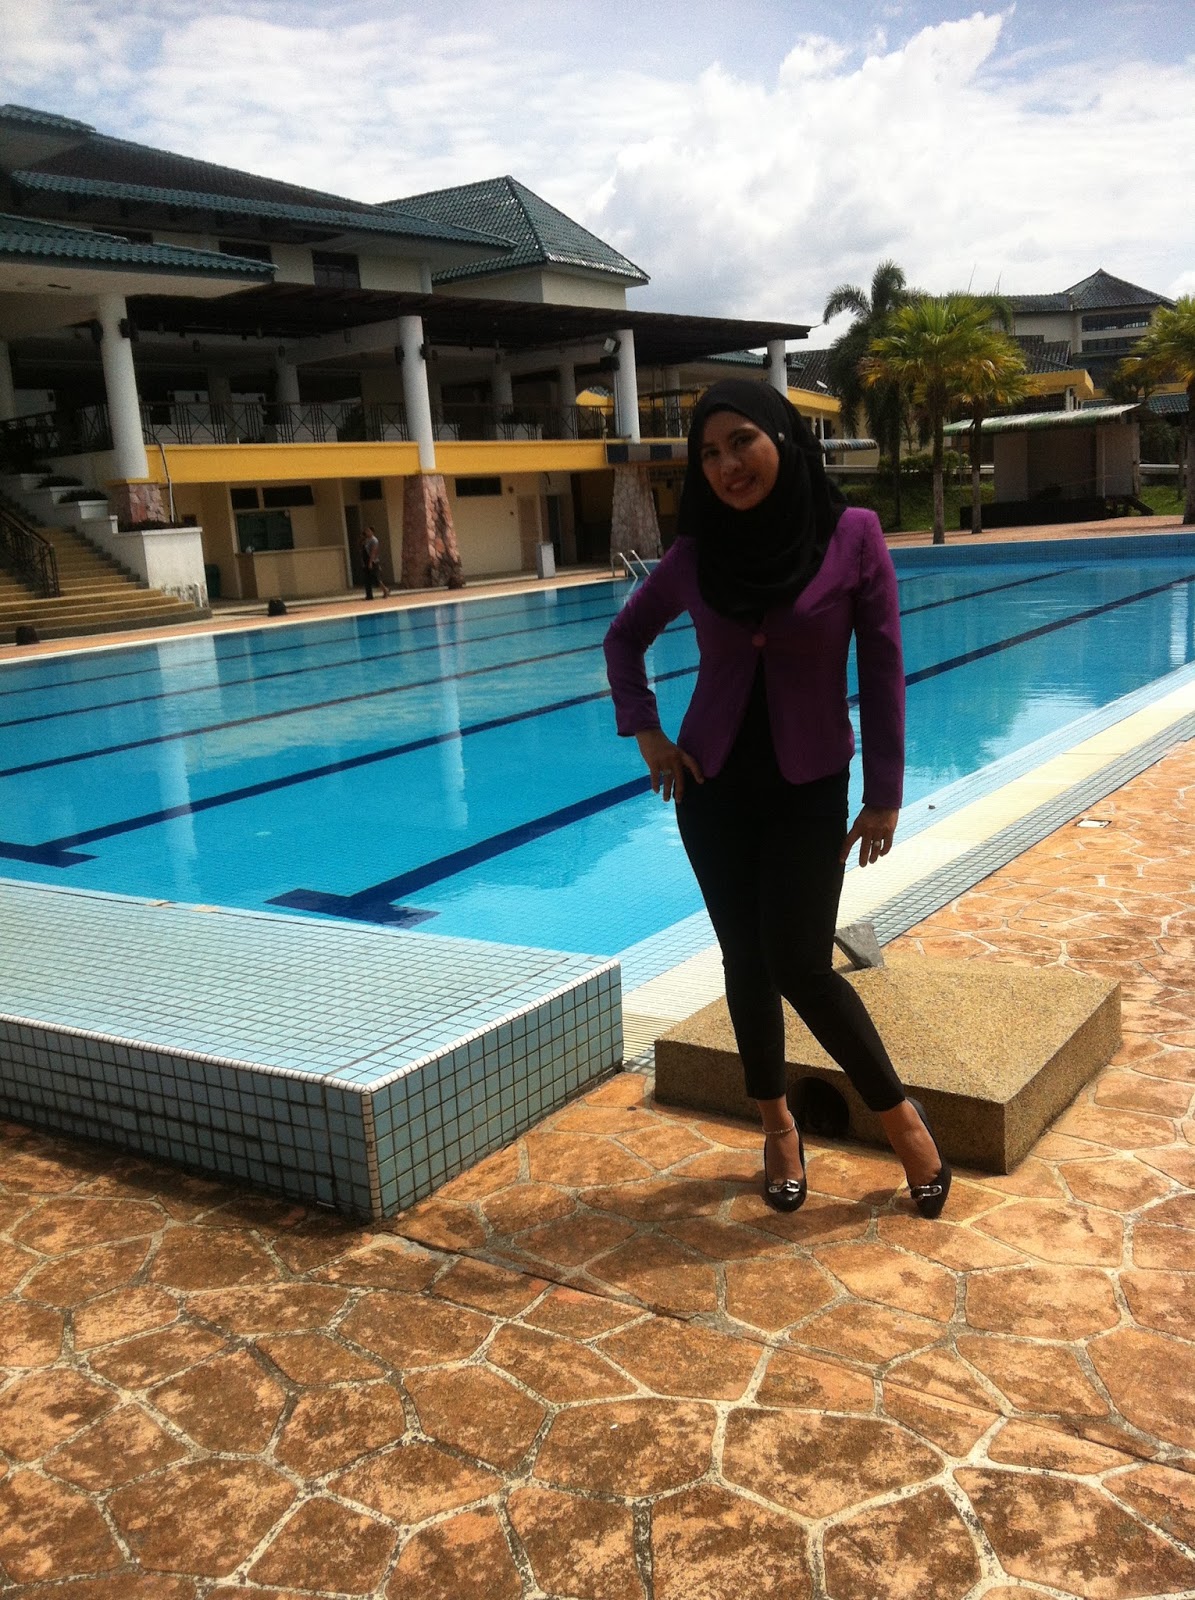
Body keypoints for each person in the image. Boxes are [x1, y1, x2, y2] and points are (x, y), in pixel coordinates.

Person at [603, 379, 950, 1218]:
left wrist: (884, 795)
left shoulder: (852, 535)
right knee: (744, 960)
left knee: (800, 963)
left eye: (741, 442)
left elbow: (882, 666)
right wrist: (647, 732)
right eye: (708, 453)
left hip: (808, 785)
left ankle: (901, 1121)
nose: (726, 464)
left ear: (782, 439)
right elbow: (623, 637)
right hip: (712, 787)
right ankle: (776, 1128)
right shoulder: (696, 554)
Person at [361, 526, 390, 600]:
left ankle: (385, 590)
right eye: (366, 531)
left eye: (368, 531)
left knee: (376, 578)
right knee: (367, 579)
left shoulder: (374, 540)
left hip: (373, 561)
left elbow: (373, 552)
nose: (367, 532)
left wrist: (370, 562)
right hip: (365, 560)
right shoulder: (366, 540)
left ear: (372, 532)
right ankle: (369, 595)